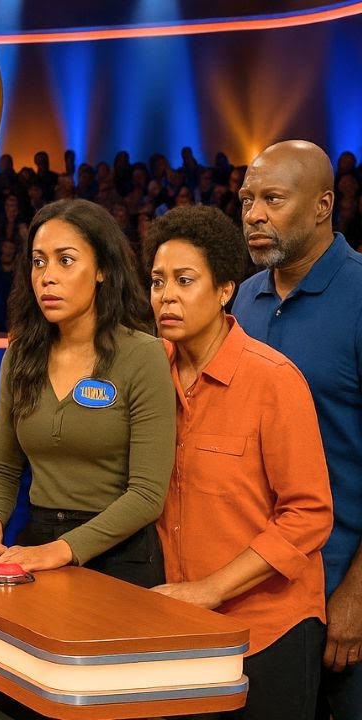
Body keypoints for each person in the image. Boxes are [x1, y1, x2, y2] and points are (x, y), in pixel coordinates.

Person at [146, 205, 332, 720]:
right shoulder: (149, 375)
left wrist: (209, 590)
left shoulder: (273, 380)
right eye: (158, 281)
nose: (167, 296)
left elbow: (309, 514)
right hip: (179, 623)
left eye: (185, 280)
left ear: (226, 290)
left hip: (269, 628)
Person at [0, 199, 175, 587]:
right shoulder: (20, 356)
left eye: (65, 260)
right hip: (37, 540)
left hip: (120, 554)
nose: (47, 277)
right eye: (38, 262)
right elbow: (2, 466)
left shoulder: (143, 355)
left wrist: (63, 549)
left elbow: (146, 495)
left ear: (102, 269)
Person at [230, 140, 362, 719]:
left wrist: (357, 595)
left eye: (273, 199)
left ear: (322, 206)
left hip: (341, 586)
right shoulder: (243, 300)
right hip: (263, 592)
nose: (254, 214)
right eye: (247, 200)